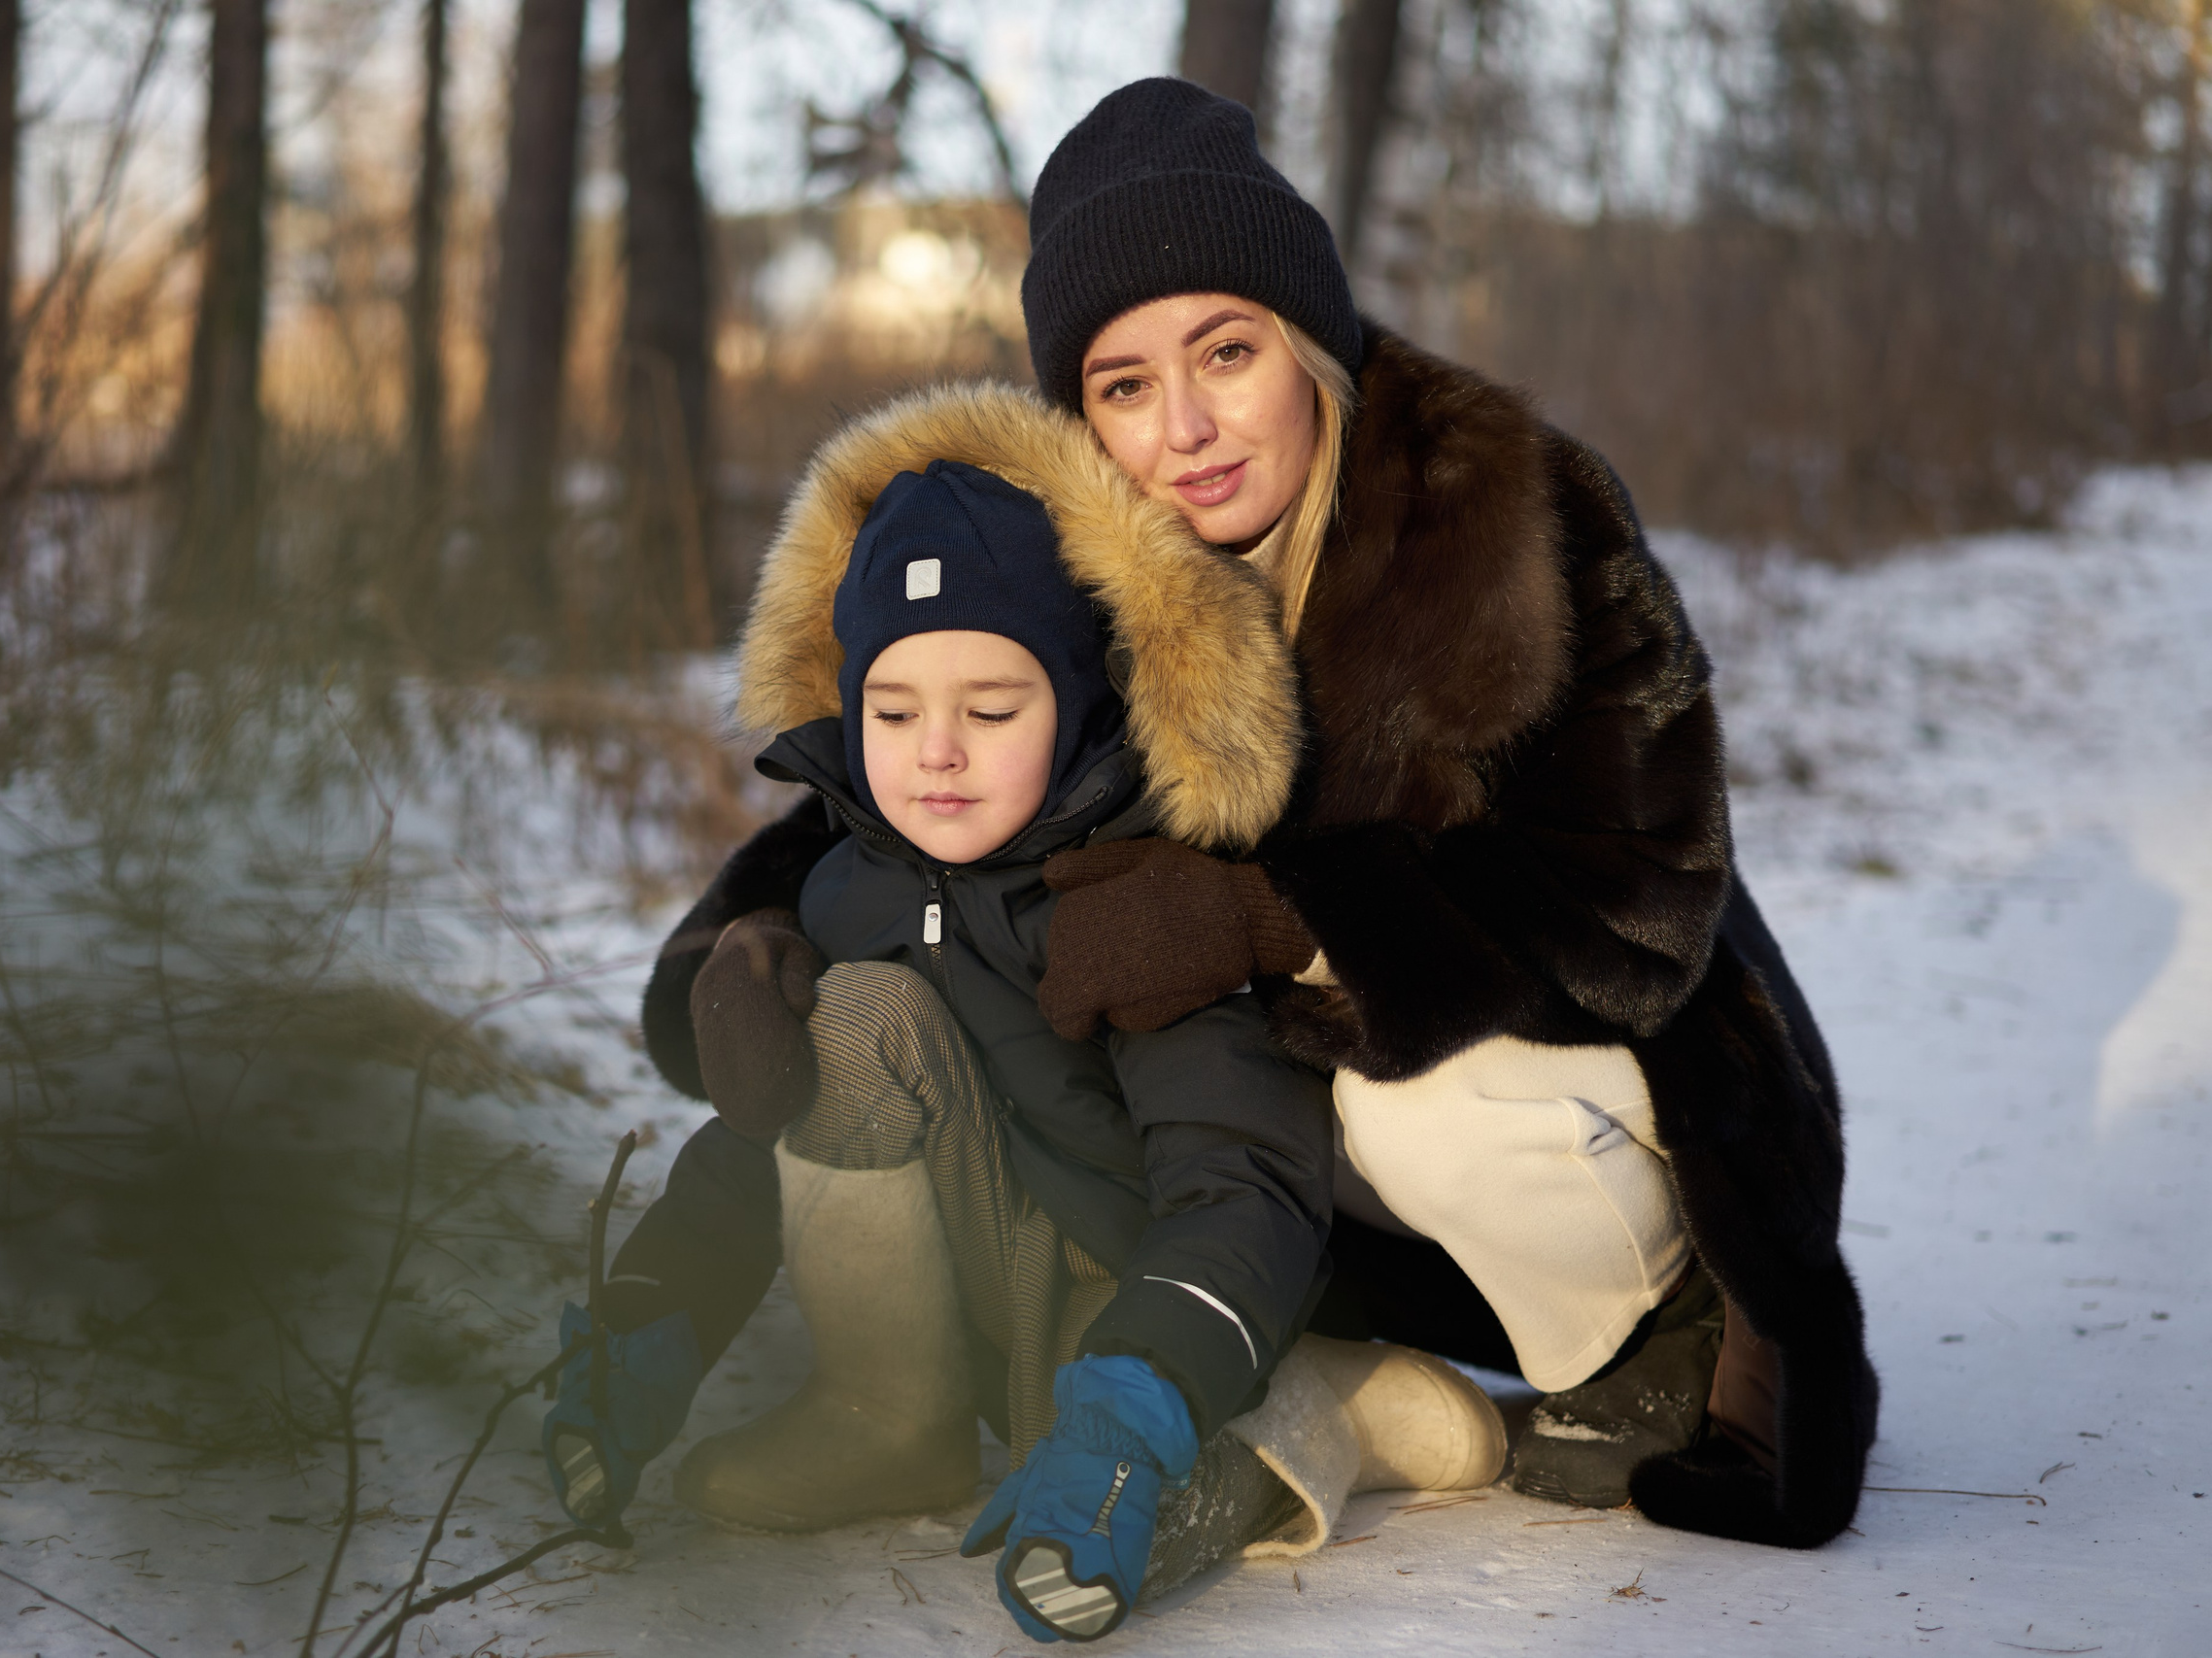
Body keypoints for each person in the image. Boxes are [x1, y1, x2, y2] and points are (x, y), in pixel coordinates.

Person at [638, 78, 1878, 1553]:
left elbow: (1637, 906)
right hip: (1310, 1150)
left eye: (1225, 352)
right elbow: (910, 782)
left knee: (1403, 1098)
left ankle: (1652, 1337)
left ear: (1305, 340)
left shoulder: (1506, 514)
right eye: (1122, 383)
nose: (1186, 427)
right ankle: (1319, 1370)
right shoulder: (1102, 565)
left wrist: (1265, 910)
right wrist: (751, 937)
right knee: (1175, 1076)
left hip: (1613, 1100)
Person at [545, 424, 1509, 1642]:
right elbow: (761, 1159)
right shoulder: (853, 895)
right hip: (980, 1291)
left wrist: (1132, 1396)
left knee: (1151, 1474)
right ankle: (885, 1420)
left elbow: (1242, 1178)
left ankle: (1326, 1421)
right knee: (854, 1021)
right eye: (891, 711)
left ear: (1076, 704)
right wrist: (650, 1324)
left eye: (990, 708)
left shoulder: (1134, 904)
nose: (934, 752)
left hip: (1151, 1322)